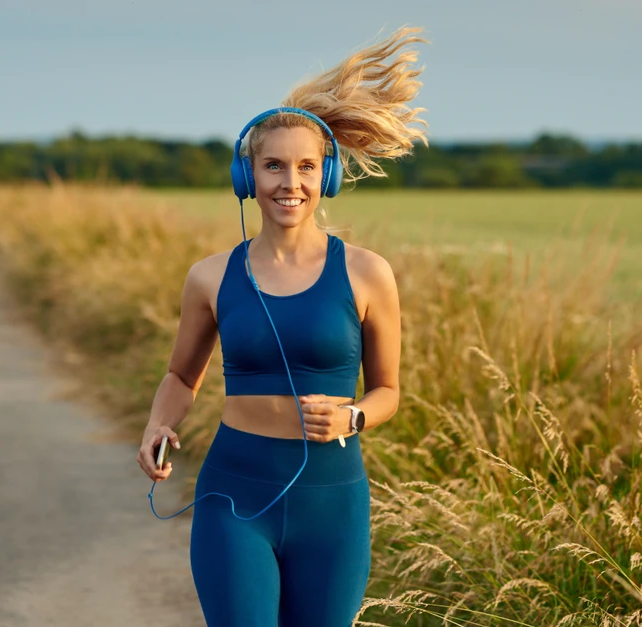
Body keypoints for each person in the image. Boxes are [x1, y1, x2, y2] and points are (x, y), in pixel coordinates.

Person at [136, 25, 427, 627]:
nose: (288, 184)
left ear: (327, 176)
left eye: (304, 168)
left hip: (333, 501)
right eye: (272, 166)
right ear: (248, 177)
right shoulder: (210, 278)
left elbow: (389, 392)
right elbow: (180, 376)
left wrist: (354, 416)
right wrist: (158, 426)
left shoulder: (370, 274)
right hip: (233, 495)